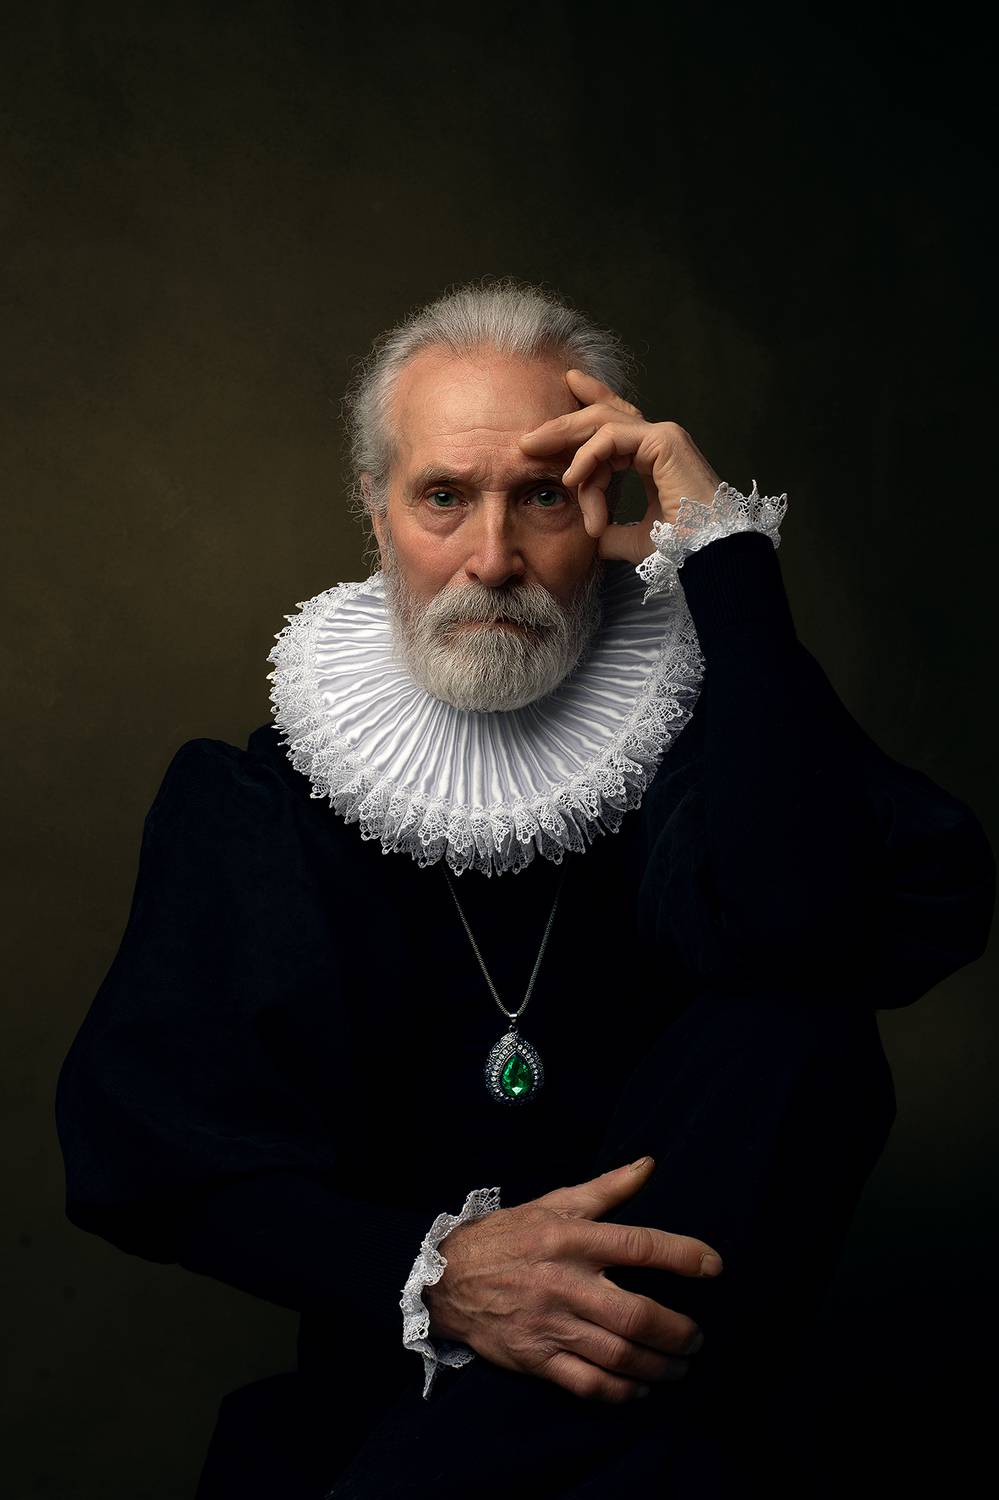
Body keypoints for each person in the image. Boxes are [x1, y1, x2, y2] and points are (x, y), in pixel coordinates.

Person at [55, 276, 996, 1499]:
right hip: (386, 1406)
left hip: (649, 1412)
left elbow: (817, 924)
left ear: (607, 506)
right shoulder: (261, 805)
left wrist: (724, 564)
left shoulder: (702, 746)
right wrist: (433, 1275)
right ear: (376, 514)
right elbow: (142, 1154)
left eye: (544, 496)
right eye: (443, 496)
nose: (492, 560)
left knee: (801, 1026)